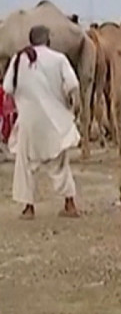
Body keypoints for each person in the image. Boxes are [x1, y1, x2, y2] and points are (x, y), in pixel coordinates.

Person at [2, 25, 82, 219]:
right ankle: (69, 204)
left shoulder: (18, 59)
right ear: (48, 40)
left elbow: (7, 88)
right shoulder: (59, 59)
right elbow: (73, 85)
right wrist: (75, 107)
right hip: (54, 121)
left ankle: (28, 208)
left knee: (25, 165)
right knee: (60, 164)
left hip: (29, 123)